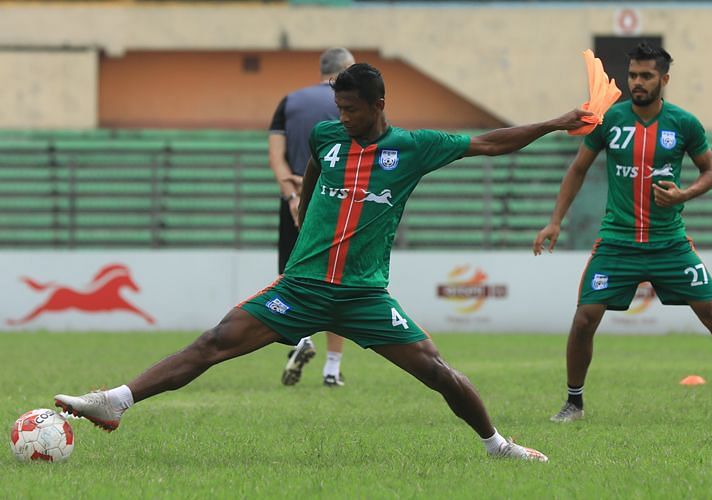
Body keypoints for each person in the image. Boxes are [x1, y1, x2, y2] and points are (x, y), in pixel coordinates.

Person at [54, 63, 591, 461]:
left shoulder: (414, 147)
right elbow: (314, 163)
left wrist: (555, 122)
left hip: (363, 295)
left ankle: (497, 446)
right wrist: (305, 208)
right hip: (304, 285)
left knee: (438, 372)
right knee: (215, 341)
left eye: (351, 109)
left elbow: (491, 143)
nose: (342, 117)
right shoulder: (329, 135)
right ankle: (116, 401)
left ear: (379, 104)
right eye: (339, 108)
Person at [534, 43, 712, 424]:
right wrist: (555, 221)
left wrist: (685, 194)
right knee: (585, 318)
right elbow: (578, 170)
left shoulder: (683, 123)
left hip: (669, 242)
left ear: (664, 79)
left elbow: (711, 172)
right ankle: (574, 403)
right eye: (633, 75)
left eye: (646, 75)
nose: (637, 82)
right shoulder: (610, 121)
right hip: (617, 242)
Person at [269, 47, 354, 387]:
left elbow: (276, 158)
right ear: (346, 70)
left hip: (293, 201)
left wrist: (293, 196)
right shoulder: (351, 101)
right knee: (339, 282)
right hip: (336, 201)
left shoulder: (289, 101)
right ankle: (332, 369)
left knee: (292, 278)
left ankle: (302, 340)